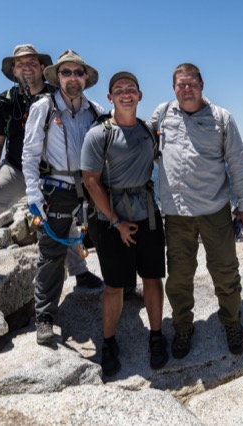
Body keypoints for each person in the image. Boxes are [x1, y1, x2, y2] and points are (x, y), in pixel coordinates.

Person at [0, 44, 102, 289]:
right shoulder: (6, 100)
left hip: (55, 171)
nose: (27, 68)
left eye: (32, 63)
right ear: (13, 70)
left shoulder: (58, 94)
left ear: (43, 68)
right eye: (20, 64)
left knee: (68, 211)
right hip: (18, 168)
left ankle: (79, 270)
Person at [150, 63, 243, 358]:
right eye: (180, 85)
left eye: (191, 83)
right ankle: (183, 327)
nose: (186, 89)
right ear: (174, 88)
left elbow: (237, 161)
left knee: (225, 271)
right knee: (180, 276)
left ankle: (232, 322)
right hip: (177, 212)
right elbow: (143, 144)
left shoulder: (221, 118)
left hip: (215, 209)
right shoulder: (162, 114)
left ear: (201, 84)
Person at [81, 72, 168, 376]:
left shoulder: (147, 132)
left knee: (153, 277)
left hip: (147, 216)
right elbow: (91, 181)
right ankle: (108, 343)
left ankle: (156, 336)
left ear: (140, 96)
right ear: (110, 98)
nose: (126, 94)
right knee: (114, 285)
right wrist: (116, 221)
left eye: (131, 89)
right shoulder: (98, 134)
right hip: (111, 219)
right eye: (119, 90)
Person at [22, 50, 105, 345]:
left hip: (90, 188)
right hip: (55, 189)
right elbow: (29, 155)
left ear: (86, 78)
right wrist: (33, 196)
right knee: (51, 254)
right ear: (57, 77)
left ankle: (118, 287)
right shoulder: (43, 108)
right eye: (66, 72)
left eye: (78, 73)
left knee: (106, 237)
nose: (73, 78)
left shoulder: (95, 110)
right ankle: (44, 316)